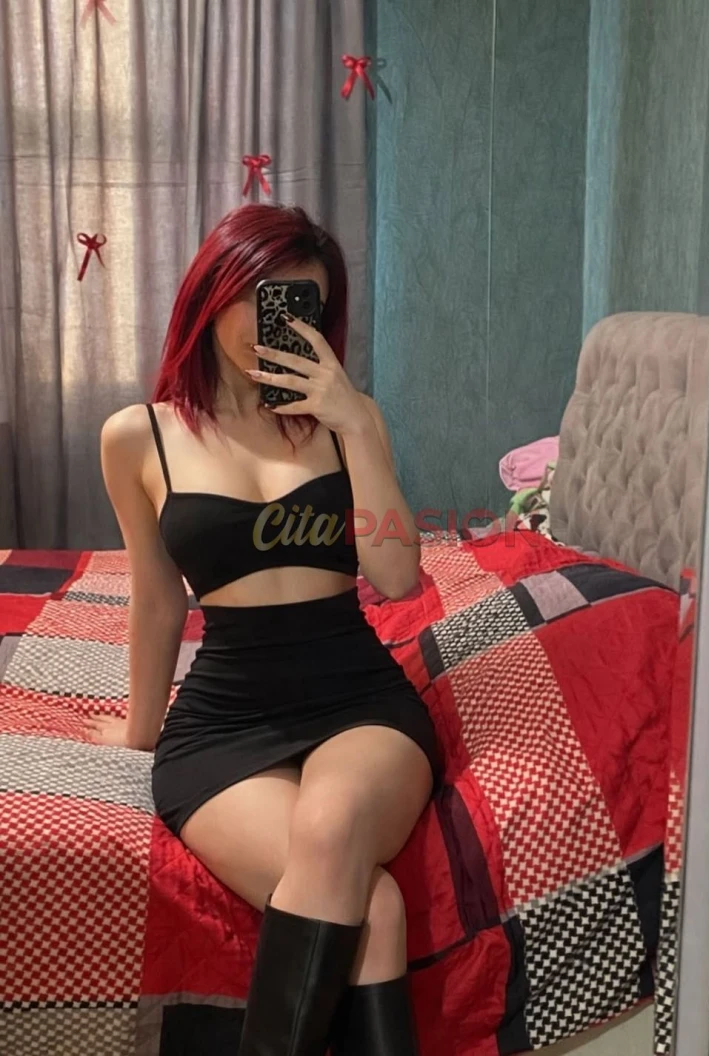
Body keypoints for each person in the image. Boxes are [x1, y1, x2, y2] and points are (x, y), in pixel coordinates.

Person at [84, 203, 442, 1055]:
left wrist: (353, 424)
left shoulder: (353, 421)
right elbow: (158, 599)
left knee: (332, 825)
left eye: (297, 303)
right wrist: (139, 729)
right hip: (223, 720)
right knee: (375, 905)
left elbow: (397, 576)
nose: (268, 321)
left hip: (357, 700)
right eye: (255, 294)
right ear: (213, 291)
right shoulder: (137, 437)